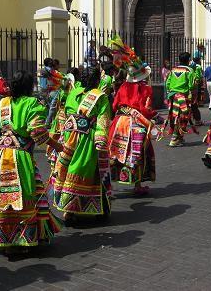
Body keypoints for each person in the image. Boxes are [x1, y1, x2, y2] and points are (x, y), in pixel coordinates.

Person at [0, 70, 63, 254]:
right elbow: (37, 132)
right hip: (19, 156)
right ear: (29, 87)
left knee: (2, 196)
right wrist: (57, 145)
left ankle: (4, 236)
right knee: (23, 195)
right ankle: (20, 238)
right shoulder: (32, 104)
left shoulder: (3, 103)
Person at [51, 67, 112, 223]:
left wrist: (64, 136)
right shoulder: (100, 97)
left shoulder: (73, 93)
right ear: (97, 81)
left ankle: (69, 210)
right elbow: (102, 121)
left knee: (67, 169)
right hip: (86, 139)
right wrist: (101, 142)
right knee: (88, 172)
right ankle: (76, 209)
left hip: (69, 137)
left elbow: (64, 115)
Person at [107, 36, 163, 196]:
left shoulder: (123, 86)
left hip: (119, 123)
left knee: (116, 154)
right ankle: (137, 185)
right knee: (139, 154)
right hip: (136, 125)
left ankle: (109, 184)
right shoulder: (145, 89)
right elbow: (146, 110)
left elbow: (115, 105)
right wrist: (157, 117)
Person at [164, 52, 195, 147]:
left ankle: (180, 138)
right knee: (182, 117)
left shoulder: (173, 70)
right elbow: (191, 85)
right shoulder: (189, 70)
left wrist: (170, 92)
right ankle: (174, 139)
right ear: (188, 60)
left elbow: (167, 83)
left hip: (172, 96)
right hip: (182, 97)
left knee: (174, 116)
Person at [189, 57, 203, 126]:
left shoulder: (188, 71)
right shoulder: (197, 69)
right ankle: (197, 120)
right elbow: (199, 77)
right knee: (194, 105)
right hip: (193, 91)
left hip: (186, 91)